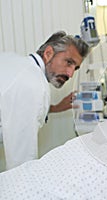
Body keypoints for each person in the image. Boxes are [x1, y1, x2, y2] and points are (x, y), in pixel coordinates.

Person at [0, 31, 90, 170]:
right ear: (48, 54)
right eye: (68, 62)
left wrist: (54, 108)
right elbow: (20, 161)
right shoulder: (32, 84)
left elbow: (8, 106)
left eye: (75, 68)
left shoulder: (16, 64)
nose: (70, 74)